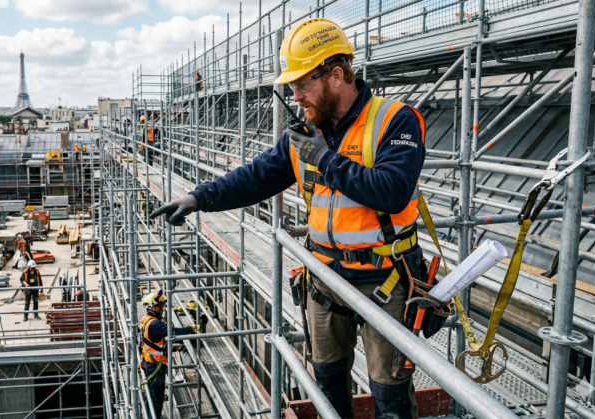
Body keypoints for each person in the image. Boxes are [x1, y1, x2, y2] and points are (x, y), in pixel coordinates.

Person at [151, 18, 425, 419]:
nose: (295, 96)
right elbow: (257, 176)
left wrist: (325, 159)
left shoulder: (395, 120)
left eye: (301, 84)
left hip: (385, 279)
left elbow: (391, 189)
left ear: (335, 75)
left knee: (389, 395)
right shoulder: (304, 134)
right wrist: (199, 198)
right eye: (291, 87)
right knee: (328, 383)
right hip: (325, 276)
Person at [140, 290, 197, 419]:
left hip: (148, 362)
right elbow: (173, 331)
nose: (162, 308)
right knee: (157, 396)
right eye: (159, 306)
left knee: (150, 394)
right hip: (155, 365)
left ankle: (150, 416)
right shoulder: (155, 324)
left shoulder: (146, 320)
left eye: (162, 305)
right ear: (150, 307)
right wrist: (191, 328)